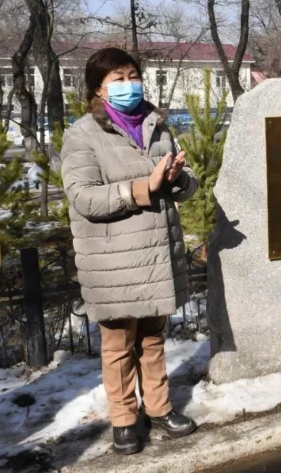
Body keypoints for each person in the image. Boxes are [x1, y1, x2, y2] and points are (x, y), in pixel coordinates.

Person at [61, 47, 199, 454]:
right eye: (117, 79)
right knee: (119, 345)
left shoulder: (156, 125)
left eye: (133, 75)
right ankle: (123, 420)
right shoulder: (82, 135)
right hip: (114, 261)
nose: (128, 85)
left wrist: (176, 180)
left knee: (154, 339)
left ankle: (158, 408)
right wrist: (144, 188)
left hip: (156, 256)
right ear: (98, 90)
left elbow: (184, 185)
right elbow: (84, 198)